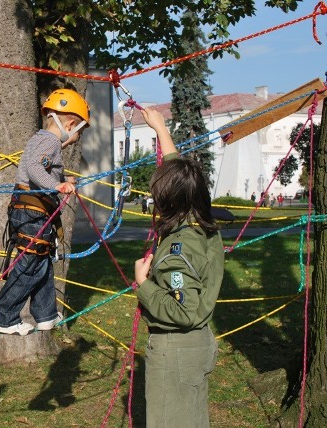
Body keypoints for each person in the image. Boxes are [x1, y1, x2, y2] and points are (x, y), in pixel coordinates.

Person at [134, 109, 224, 428]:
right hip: (196, 345)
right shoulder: (202, 222)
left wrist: (143, 283)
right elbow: (181, 176)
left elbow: (182, 310)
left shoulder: (178, 248)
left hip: (176, 349)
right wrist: (161, 130)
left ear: (168, 201)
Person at [0, 88, 90, 335]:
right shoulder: (49, 141)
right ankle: (4, 317)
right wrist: (57, 185)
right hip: (31, 212)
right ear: (70, 123)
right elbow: (36, 169)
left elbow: (46, 167)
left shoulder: (45, 140)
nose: (77, 138)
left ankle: (45, 314)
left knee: (41, 260)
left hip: (33, 211)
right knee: (30, 264)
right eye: (79, 132)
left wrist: (63, 180)